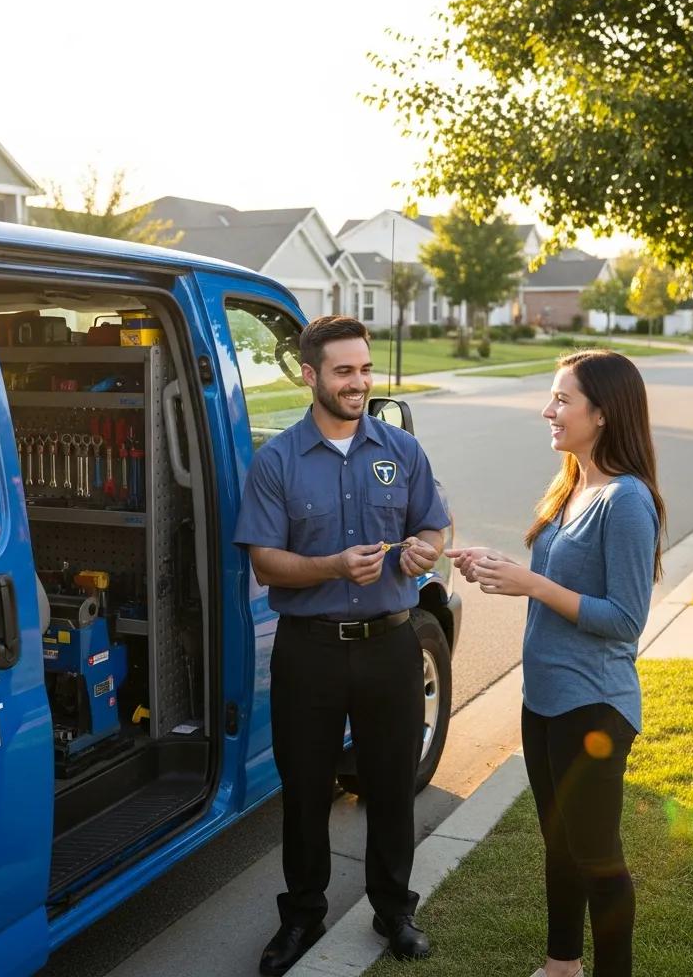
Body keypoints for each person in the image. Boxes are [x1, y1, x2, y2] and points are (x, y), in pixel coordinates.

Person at [233, 315, 450, 975]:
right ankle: (301, 917)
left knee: (390, 787)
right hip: (311, 652)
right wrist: (330, 566)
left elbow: (435, 528)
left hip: (391, 648)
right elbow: (267, 563)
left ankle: (394, 909)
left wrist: (421, 555)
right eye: (343, 372)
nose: (359, 383)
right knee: (304, 793)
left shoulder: (402, 452)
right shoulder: (275, 463)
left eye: (364, 370)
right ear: (310, 376)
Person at [447, 350, 665, 977]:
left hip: (592, 705)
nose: (549, 409)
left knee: (598, 856)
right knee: (560, 846)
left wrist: (532, 586)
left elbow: (624, 619)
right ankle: (561, 965)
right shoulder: (573, 484)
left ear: (602, 414)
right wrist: (499, 566)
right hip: (543, 699)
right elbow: (555, 576)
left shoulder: (625, 501)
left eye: (563, 400)